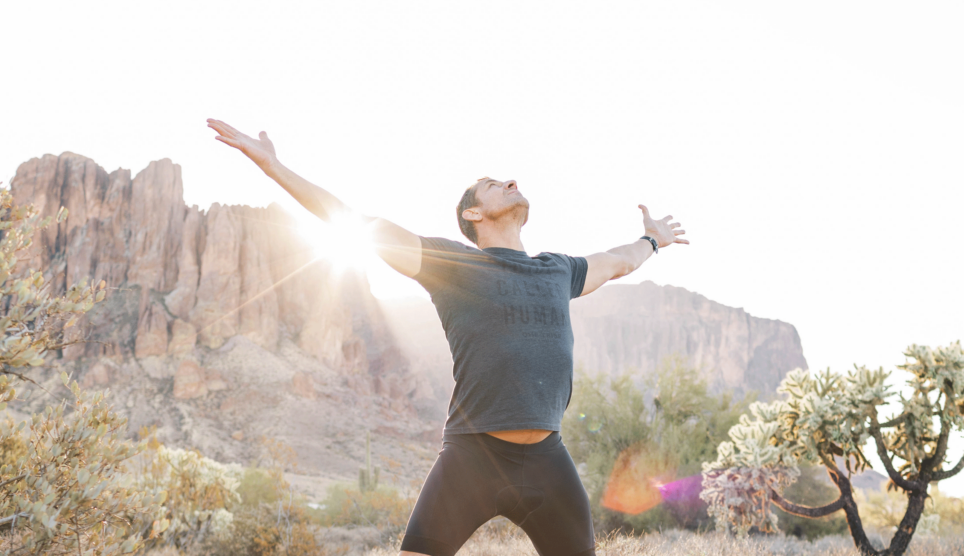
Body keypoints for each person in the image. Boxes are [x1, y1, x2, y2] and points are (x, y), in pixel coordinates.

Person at [208, 119, 688, 556]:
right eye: (493, 185)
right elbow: (352, 220)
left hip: (548, 462)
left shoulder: (558, 270)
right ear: (474, 215)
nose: (511, 182)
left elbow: (617, 260)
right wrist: (273, 167)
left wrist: (652, 241)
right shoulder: (453, 265)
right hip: (472, 458)